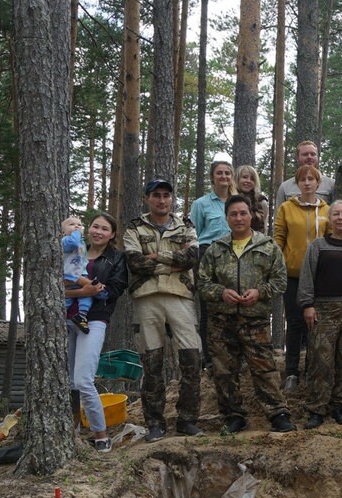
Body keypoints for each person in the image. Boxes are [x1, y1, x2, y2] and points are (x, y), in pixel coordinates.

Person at [200, 195, 293, 433]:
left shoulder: (268, 247)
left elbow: (280, 281)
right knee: (224, 371)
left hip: (256, 320)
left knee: (264, 368)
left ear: (251, 215)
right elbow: (201, 283)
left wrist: (260, 292)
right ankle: (233, 416)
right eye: (233, 214)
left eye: (243, 213)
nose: (239, 218)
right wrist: (221, 292)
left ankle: (278, 413)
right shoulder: (215, 249)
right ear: (227, 218)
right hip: (221, 322)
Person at [123, 177, 203, 439]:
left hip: (181, 297)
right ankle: (155, 424)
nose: (161, 200)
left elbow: (191, 258)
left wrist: (156, 256)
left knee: (192, 359)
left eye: (166, 195)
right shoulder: (134, 228)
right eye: (156, 195)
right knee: (152, 363)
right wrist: (173, 260)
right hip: (147, 298)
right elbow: (134, 262)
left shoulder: (186, 226)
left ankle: (188, 420)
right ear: (147, 198)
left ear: (172, 199)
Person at [298, 200, 342, 426]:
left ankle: (341, 406)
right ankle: (316, 408)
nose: (340, 218)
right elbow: (307, 276)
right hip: (323, 311)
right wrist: (307, 304)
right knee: (321, 360)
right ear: (330, 219)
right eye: (336, 214)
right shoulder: (318, 246)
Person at [64, 213, 128, 450]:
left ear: (112, 235)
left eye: (104, 229)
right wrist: (82, 292)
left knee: (83, 379)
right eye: (95, 226)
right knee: (69, 381)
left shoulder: (116, 259)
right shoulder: (74, 250)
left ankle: (101, 434)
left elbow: (114, 290)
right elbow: (57, 285)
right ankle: (72, 431)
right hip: (66, 318)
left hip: (95, 320)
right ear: (88, 229)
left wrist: (92, 292)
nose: (98, 231)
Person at [273, 163, 330, 390]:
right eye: (302, 179)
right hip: (293, 274)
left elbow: (331, 240)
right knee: (295, 323)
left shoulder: (327, 210)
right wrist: (279, 265)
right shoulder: (286, 208)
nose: (307, 183)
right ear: (297, 184)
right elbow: (278, 237)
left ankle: (313, 371)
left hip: (320, 277)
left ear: (318, 183)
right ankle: (292, 373)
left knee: (316, 325)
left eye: (311, 179)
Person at [190, 156, 236, 247]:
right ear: (212, 177)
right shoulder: (200, 204)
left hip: (234, 251)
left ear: (231, 177)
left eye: (227, 173)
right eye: (219, 173)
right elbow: (194, 235)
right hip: (208, 252)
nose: (223, 176)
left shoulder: (238, 203)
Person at [61, 216, 92, 332]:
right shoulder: (65, 240)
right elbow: (73, 243)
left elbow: (83, 259)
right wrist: (77, 234)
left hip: (80, 274)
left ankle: (82, 315)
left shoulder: (81, 242)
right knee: (66, 300)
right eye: (72, 224)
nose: (77, 226)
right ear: (63, 232)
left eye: (79, 224)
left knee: (86, 296)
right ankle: (61, 319)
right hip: (68, 275)